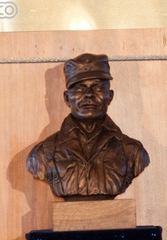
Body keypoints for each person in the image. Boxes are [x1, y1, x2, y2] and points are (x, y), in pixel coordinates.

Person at [27, 53, 149, 199]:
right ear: (67, 98)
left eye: (97, 88)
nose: (88, 95)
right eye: (79, 89)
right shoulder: (42, 154)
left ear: (109, 96)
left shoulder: (133, 152)